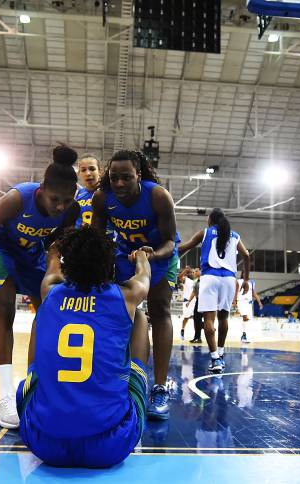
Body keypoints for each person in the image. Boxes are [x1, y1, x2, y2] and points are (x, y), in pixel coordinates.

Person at [16, 226, 150, 468]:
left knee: (41, 318)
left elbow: (53, 264)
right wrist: (141, 257)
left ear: (69, 267)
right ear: (110, 267)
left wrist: (57, 249)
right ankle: (137, 379)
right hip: (110, 446)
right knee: (139, 317)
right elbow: (144, 278)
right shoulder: (127, 295)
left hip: (44, 444)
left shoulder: (51, 290)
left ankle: (37, 382)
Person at [0, 145, 81, 429]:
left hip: (30, 254)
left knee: (51, 312)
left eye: (67, 201)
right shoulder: (18, 199)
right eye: (56, 199)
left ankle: (37, 382)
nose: (60, 206)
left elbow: (54, 240)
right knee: (4, 308)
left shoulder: (71, 210)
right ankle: (5, 396)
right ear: (42, 189)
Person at [91, 150, 179, 420]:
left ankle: (160, 388)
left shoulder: (157, 196)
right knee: (118, 312)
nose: (119, 183)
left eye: (126, 177)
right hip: (125, 253)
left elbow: (169, 242)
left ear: (138, 175)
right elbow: (96, 238)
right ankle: (114, 379)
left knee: (160, 310)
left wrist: (151, 255)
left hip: (159, 254)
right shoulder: (102, 198)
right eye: (114, 177)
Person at [178, 209, 251, 373]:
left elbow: (184, 247)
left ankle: (215, 359)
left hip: (210, 277)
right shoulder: (234, 235)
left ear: (211, 219)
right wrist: (245, 280)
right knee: (223, 317)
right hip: (229, 280)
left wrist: (168, 250)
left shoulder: (205, 233)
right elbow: (246, 256)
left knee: (208, 319)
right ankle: (221, 353)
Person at [235, 270, 262, 343]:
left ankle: (244, 335)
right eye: (244, 273)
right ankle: (244, 335)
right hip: (240, 301)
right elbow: (235, 291)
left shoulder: (252, 282)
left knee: (246, 321)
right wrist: (234, 301)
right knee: (245, 317)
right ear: (242, 274)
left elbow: (254, 293)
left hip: (249, 303)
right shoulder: (239, 281)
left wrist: (259, 302)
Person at [178, 266, 197, 340]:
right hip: (187, 302)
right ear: (189, 273)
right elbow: (180, 277)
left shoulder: (197, 281)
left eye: (194, 272)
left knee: (196, 319)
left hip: (195, 301)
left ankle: (196, 335)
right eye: (192, 272)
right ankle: (182, 330)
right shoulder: (186, 280)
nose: (193, 273)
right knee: (186, 318)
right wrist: (185, 270)